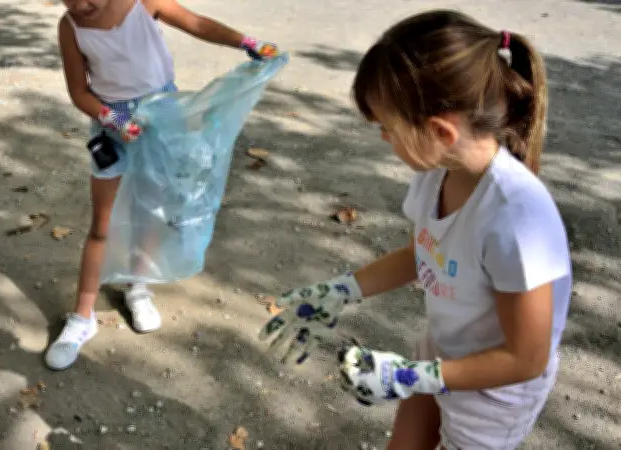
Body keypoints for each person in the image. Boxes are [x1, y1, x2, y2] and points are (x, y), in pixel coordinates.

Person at [259, 10, 571, 450]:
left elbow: (527, 358)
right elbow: (422, 253)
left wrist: (410, 376)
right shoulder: (438, 171)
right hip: (443, 347)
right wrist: (340, 290)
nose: (385, 139)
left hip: (493, 392)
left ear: (440, 130)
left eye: (387, 128)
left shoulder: (518, 218)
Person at [45, 0, 278, 371]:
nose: (81, 6)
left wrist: (246, 42)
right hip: (113, 126)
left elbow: (196, 23)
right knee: (101, 224)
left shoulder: (143, 3)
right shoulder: (70, 27)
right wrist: (111, 117)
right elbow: (80, 91)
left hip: (163, 119)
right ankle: (82, 317)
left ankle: (138, 286)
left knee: (151, 209)